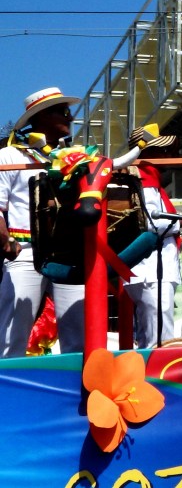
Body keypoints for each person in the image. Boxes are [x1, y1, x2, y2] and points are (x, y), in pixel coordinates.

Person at [0, 87, 84, 356]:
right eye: (63, 111)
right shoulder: (10, 156)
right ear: (41, 117)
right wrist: (6, 241)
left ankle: (78, 394)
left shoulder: (73, 159)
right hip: (24, 251)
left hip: (67, 253)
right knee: (12, 333)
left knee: (79, 334)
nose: (70, 117)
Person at [124, 124, 182, 348]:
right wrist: (181, 221)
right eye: (163, 151)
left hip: (152, 270)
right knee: (159, 337)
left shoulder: (151, 183)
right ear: (147, 154)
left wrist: (178, 219)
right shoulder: (145, 183)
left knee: (155, 333)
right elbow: (148, 221)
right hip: (151, 271)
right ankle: (155, 379)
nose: (171, 155)